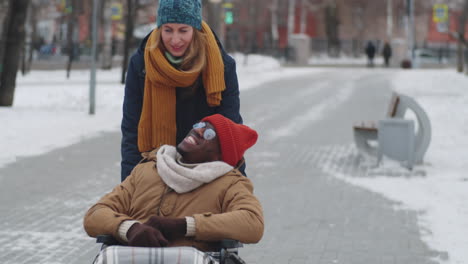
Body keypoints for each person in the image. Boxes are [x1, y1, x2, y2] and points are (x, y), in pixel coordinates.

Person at [84, 114, 264, 252]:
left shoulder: (229, 183)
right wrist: (130, 228)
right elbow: (95, 215)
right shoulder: (148, 169)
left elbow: (252, 223)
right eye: (200, 125)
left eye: (209, 134)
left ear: (220, 156)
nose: (199, 131)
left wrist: (184, 227)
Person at [121, 0, 244, 182]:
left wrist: (237, 182)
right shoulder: (142, 65)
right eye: (168, 30)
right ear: (160, 28)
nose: (175, 40)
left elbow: (230, 130)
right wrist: (129, 183)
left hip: (205, 172)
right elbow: (132, 131)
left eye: (183, 30)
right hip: (156, 170)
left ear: (194, 29)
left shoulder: (221, 66)